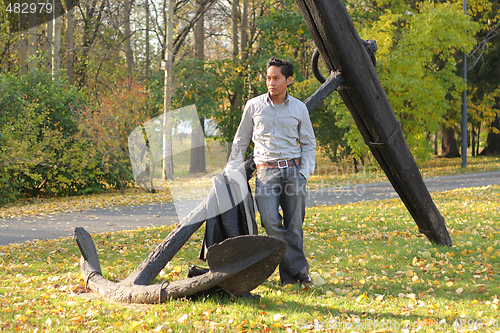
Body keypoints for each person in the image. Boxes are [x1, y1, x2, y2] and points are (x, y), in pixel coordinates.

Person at [225, 56, 316, 286]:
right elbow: (241, 140)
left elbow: (308, 143)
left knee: (294, 224)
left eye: (276, 78)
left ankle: (290, 280)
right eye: (268, 78)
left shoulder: (299, 108)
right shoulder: (253, 106)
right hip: (266, 173)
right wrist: (231, 168)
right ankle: (300, 269)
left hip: (294, 171)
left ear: (289, 80)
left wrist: (305, 172)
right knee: (270, 222)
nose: (271, 82)